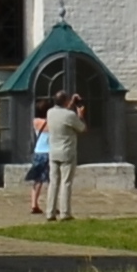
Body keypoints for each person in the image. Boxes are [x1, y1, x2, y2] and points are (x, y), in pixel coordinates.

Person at [35, 90, 86, 223]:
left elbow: (63, 114)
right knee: (66, 182)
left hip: (53, 152)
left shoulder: (50, 112)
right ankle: (65, 213)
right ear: (65, 101)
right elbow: (82, 128)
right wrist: (80, 115)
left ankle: (50, 212)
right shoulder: (70, 115)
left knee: (53, 183)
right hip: (67, 152)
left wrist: (71, 103)